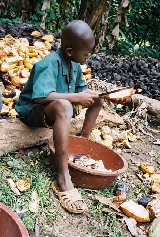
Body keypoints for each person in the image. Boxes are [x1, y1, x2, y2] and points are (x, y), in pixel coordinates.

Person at [15, 20, 103, 214]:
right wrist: (75, 98)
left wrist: (98, 96)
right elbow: (40, 97)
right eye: (86, 53)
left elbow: (82, 92)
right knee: (64, 105)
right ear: (70, 51)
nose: (88, 57)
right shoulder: (48, 64)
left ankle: (81, 144)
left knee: (97, 99)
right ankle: (63, 177)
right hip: (32, 111)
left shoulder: (74, 65)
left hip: (54, 109)